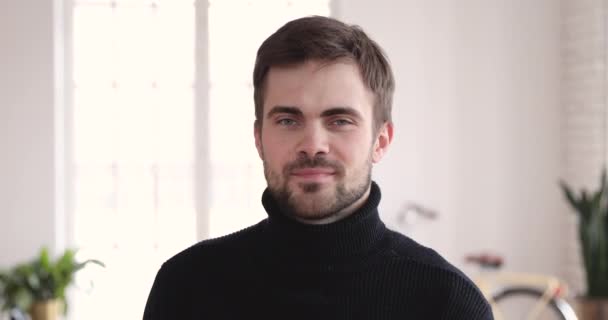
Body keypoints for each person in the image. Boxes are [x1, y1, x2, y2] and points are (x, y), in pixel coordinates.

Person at [143, 16, 493, 320]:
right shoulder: (186, 287)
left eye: (339, 120)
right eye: (287, 120)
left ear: (381, 141)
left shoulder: (448, 303)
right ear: (258, 138)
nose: (313, 144)